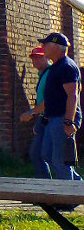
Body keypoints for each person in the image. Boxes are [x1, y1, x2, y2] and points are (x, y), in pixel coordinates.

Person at [36, 32, 82, 181]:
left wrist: (69, 121)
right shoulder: (56, 66)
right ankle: (78, 188)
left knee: (60, 161)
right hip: (53, 118)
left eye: (46, 44)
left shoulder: (67, 67)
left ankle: (67, 201)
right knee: (47, 155)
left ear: (56, 47)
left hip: (62, 118)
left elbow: (72, 95)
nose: (43, 47)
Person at [19, 46, 50, 176]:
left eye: (39, 57)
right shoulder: (42, 74)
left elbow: (51, 100)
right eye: (34, 58)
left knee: (53, 158)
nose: (35, 61)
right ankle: (45, 185)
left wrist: (32, 112)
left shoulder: (50, 74)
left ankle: (76, 187)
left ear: (47, 57)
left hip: (52, 119)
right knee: (37, 153)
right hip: (44, 119)